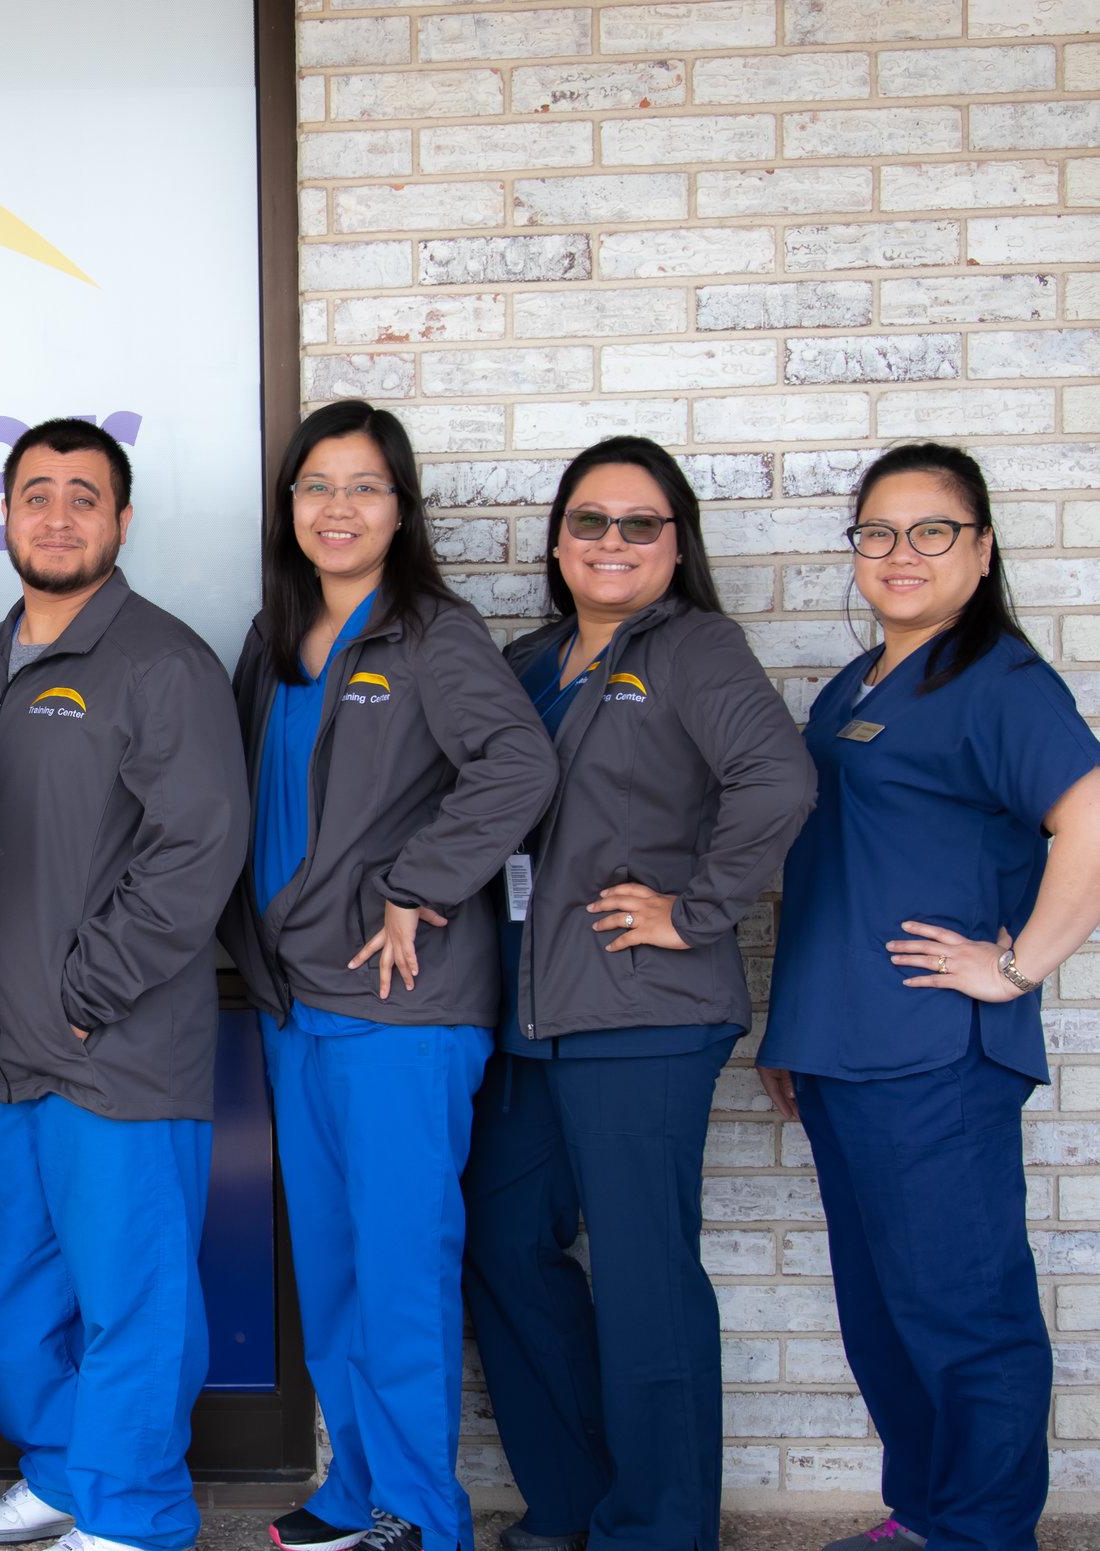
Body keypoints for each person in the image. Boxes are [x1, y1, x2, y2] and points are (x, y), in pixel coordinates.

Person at [458, 438, 815, 1551]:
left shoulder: (696, 649)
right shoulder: (527, 661)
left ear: (675, 545)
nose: (611, 542)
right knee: (498, 1243)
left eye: (639, 523)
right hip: (530, 1020)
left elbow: (779, 780)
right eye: (589, 521)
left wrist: (692, 910)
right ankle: (573, 1500)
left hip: (645, 1016)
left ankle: (660, 1530)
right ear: (555, 540)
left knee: (645, 1274)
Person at [219, 400, 555, 1551]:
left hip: (399, 1005)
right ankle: (351, 1489)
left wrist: (420, 887)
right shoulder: (272, 639)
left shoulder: (430, 635)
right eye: (316, 485)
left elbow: (517, 767)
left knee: (403, 1267)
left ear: (399, 509)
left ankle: (421, 1514)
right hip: (295, 1002)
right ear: (290, 506)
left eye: (363, 486)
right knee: (334, 1263)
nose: (337, 507)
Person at [760, 442, 1100, 1551]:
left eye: (931, 531)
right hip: (843, 1047)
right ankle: (926, 1517)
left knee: (965, 1315)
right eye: (877, 532)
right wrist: (794, 1026)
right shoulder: (859, 683)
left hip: (934, 1053)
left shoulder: (997, 681)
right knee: (883, 1315)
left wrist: (1014, 966)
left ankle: (982, 1533)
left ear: (982, 546)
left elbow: (1088, 819)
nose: (899, 554)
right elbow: (839, 864)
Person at [0, 418, 248, 1551]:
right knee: (20, 1289)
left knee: (131, 1294)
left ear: (120, 519)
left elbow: (198, 845)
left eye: (82, 495)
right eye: (34, 494)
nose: (56, 515)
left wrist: (89, 986)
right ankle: (65, 1471)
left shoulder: (163, 663)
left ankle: (138, 1510)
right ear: (3, 514)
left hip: (110, 1043)